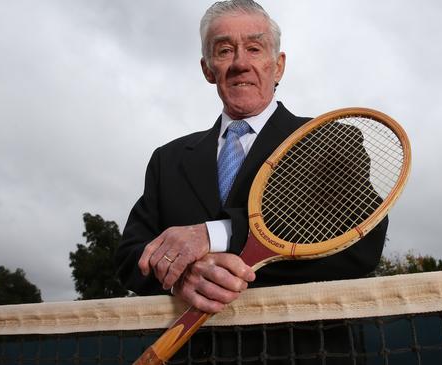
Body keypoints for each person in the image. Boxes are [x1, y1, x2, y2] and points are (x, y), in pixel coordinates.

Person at [116, 0, 387, 327]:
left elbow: (360, 246)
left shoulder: (329, 140)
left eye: (255, 49)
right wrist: (179, 276)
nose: (240, 63)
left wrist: (214, 234)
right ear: (207, 68)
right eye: (225, 50)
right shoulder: (168, 159)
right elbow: (129, 258)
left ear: (278, 66)